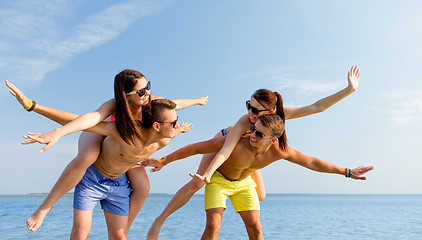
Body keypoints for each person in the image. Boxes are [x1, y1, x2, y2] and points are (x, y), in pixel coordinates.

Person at [146, 66, 361, 239]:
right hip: (226, 143)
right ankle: (159, 221)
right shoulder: (244, 125)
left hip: (257, 149)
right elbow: (222, 151)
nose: (250, 112)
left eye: (256, 110)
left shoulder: (278, 125)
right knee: (199, 182)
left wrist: (349, 90)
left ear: (271, 112)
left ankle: (242, 170)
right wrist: (200, 171)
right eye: (249, 105)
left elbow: (317, 108)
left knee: (261, 195)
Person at [5, 69, 207, 233]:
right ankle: (45, 207)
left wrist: (196, 101)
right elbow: (87, 120)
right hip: (102, 131)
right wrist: (50, 124)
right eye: (141, 92)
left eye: (148, 87)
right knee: (88, 156)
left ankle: (123, 231)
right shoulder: (114, 107)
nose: (147, 94)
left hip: (131, 144)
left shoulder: (152, 104)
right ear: (125, 96)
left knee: (143, 186)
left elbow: (176, 105)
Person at [142, 114, 374, 240]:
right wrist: (164, 161)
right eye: (253, 128)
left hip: (244, 184)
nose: (253, 134)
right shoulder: (235, 141)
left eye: (259, 134)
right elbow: (195, 148)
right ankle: (158, 222)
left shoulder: (280, 151)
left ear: (273, 140)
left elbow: (312, 162)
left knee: (256, 229)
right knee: (213, 227)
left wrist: (346, 172)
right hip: (220, 181)